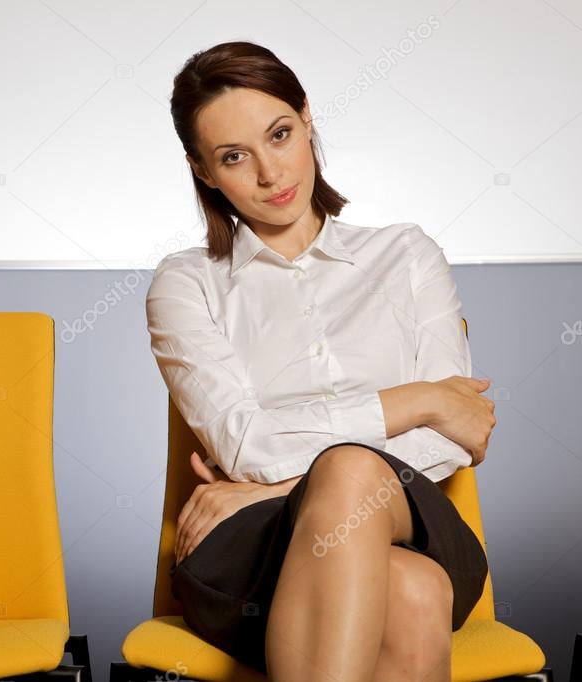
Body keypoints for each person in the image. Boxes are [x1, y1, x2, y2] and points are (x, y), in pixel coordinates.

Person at [145, 41, 494, 681]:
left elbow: (451, 444)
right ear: (203, 171)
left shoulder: (408, 255)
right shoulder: (185, 283)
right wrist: (420, 398)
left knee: (352, 474)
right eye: (233, 157)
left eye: (279, 135)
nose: (271, 174)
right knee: (411, 593)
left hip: (407, 523)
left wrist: (292, 483)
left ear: (307, 119)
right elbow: (246, 444)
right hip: (251, 553)